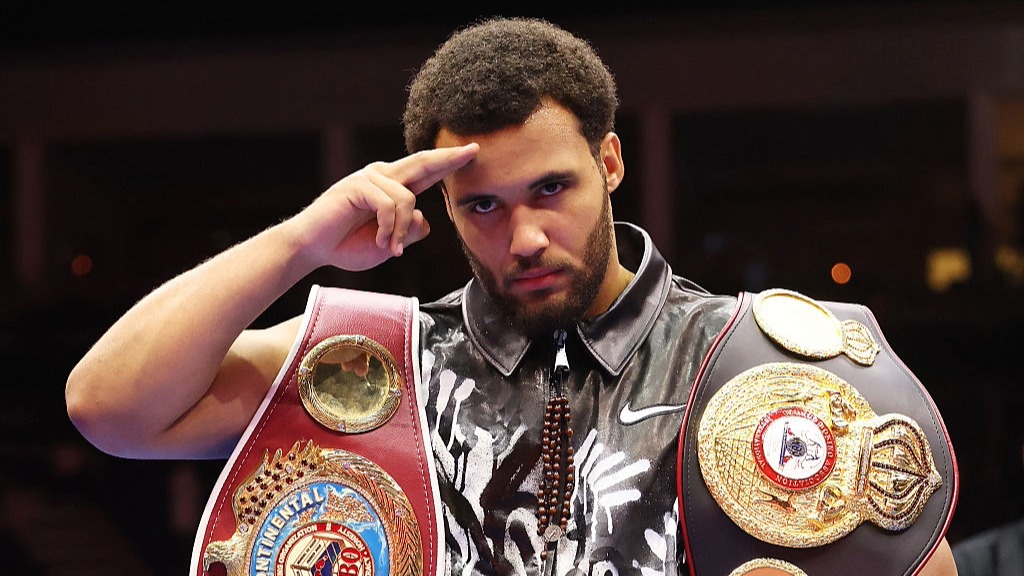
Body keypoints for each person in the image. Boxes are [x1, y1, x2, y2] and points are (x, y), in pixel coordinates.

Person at [65, 16, 958, 576]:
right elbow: (110, 409)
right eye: (481, 205)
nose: (523, 235)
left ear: (610, 163)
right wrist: (301, 240)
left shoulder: (758, 356)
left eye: (551, 190)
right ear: (445, 207)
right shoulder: (385, 358)